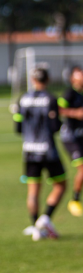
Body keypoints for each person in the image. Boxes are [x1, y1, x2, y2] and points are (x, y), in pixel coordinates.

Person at [15, 67, 65, 241]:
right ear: (48, 79)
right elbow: (55, 127)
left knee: (33, 191)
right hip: (48, 150)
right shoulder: (51, 99)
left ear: (32, 79)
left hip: (29, 150)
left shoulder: (23, 99)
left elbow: (18, 128)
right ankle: (46, 218)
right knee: (61, 185)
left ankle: (36, 227)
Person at [58, 65, 83, 216]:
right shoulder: (69, 94)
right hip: (70, 137)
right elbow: (58, 108)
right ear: (72, 78)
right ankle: (75, 200)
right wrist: (75, 113)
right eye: (79, 73)